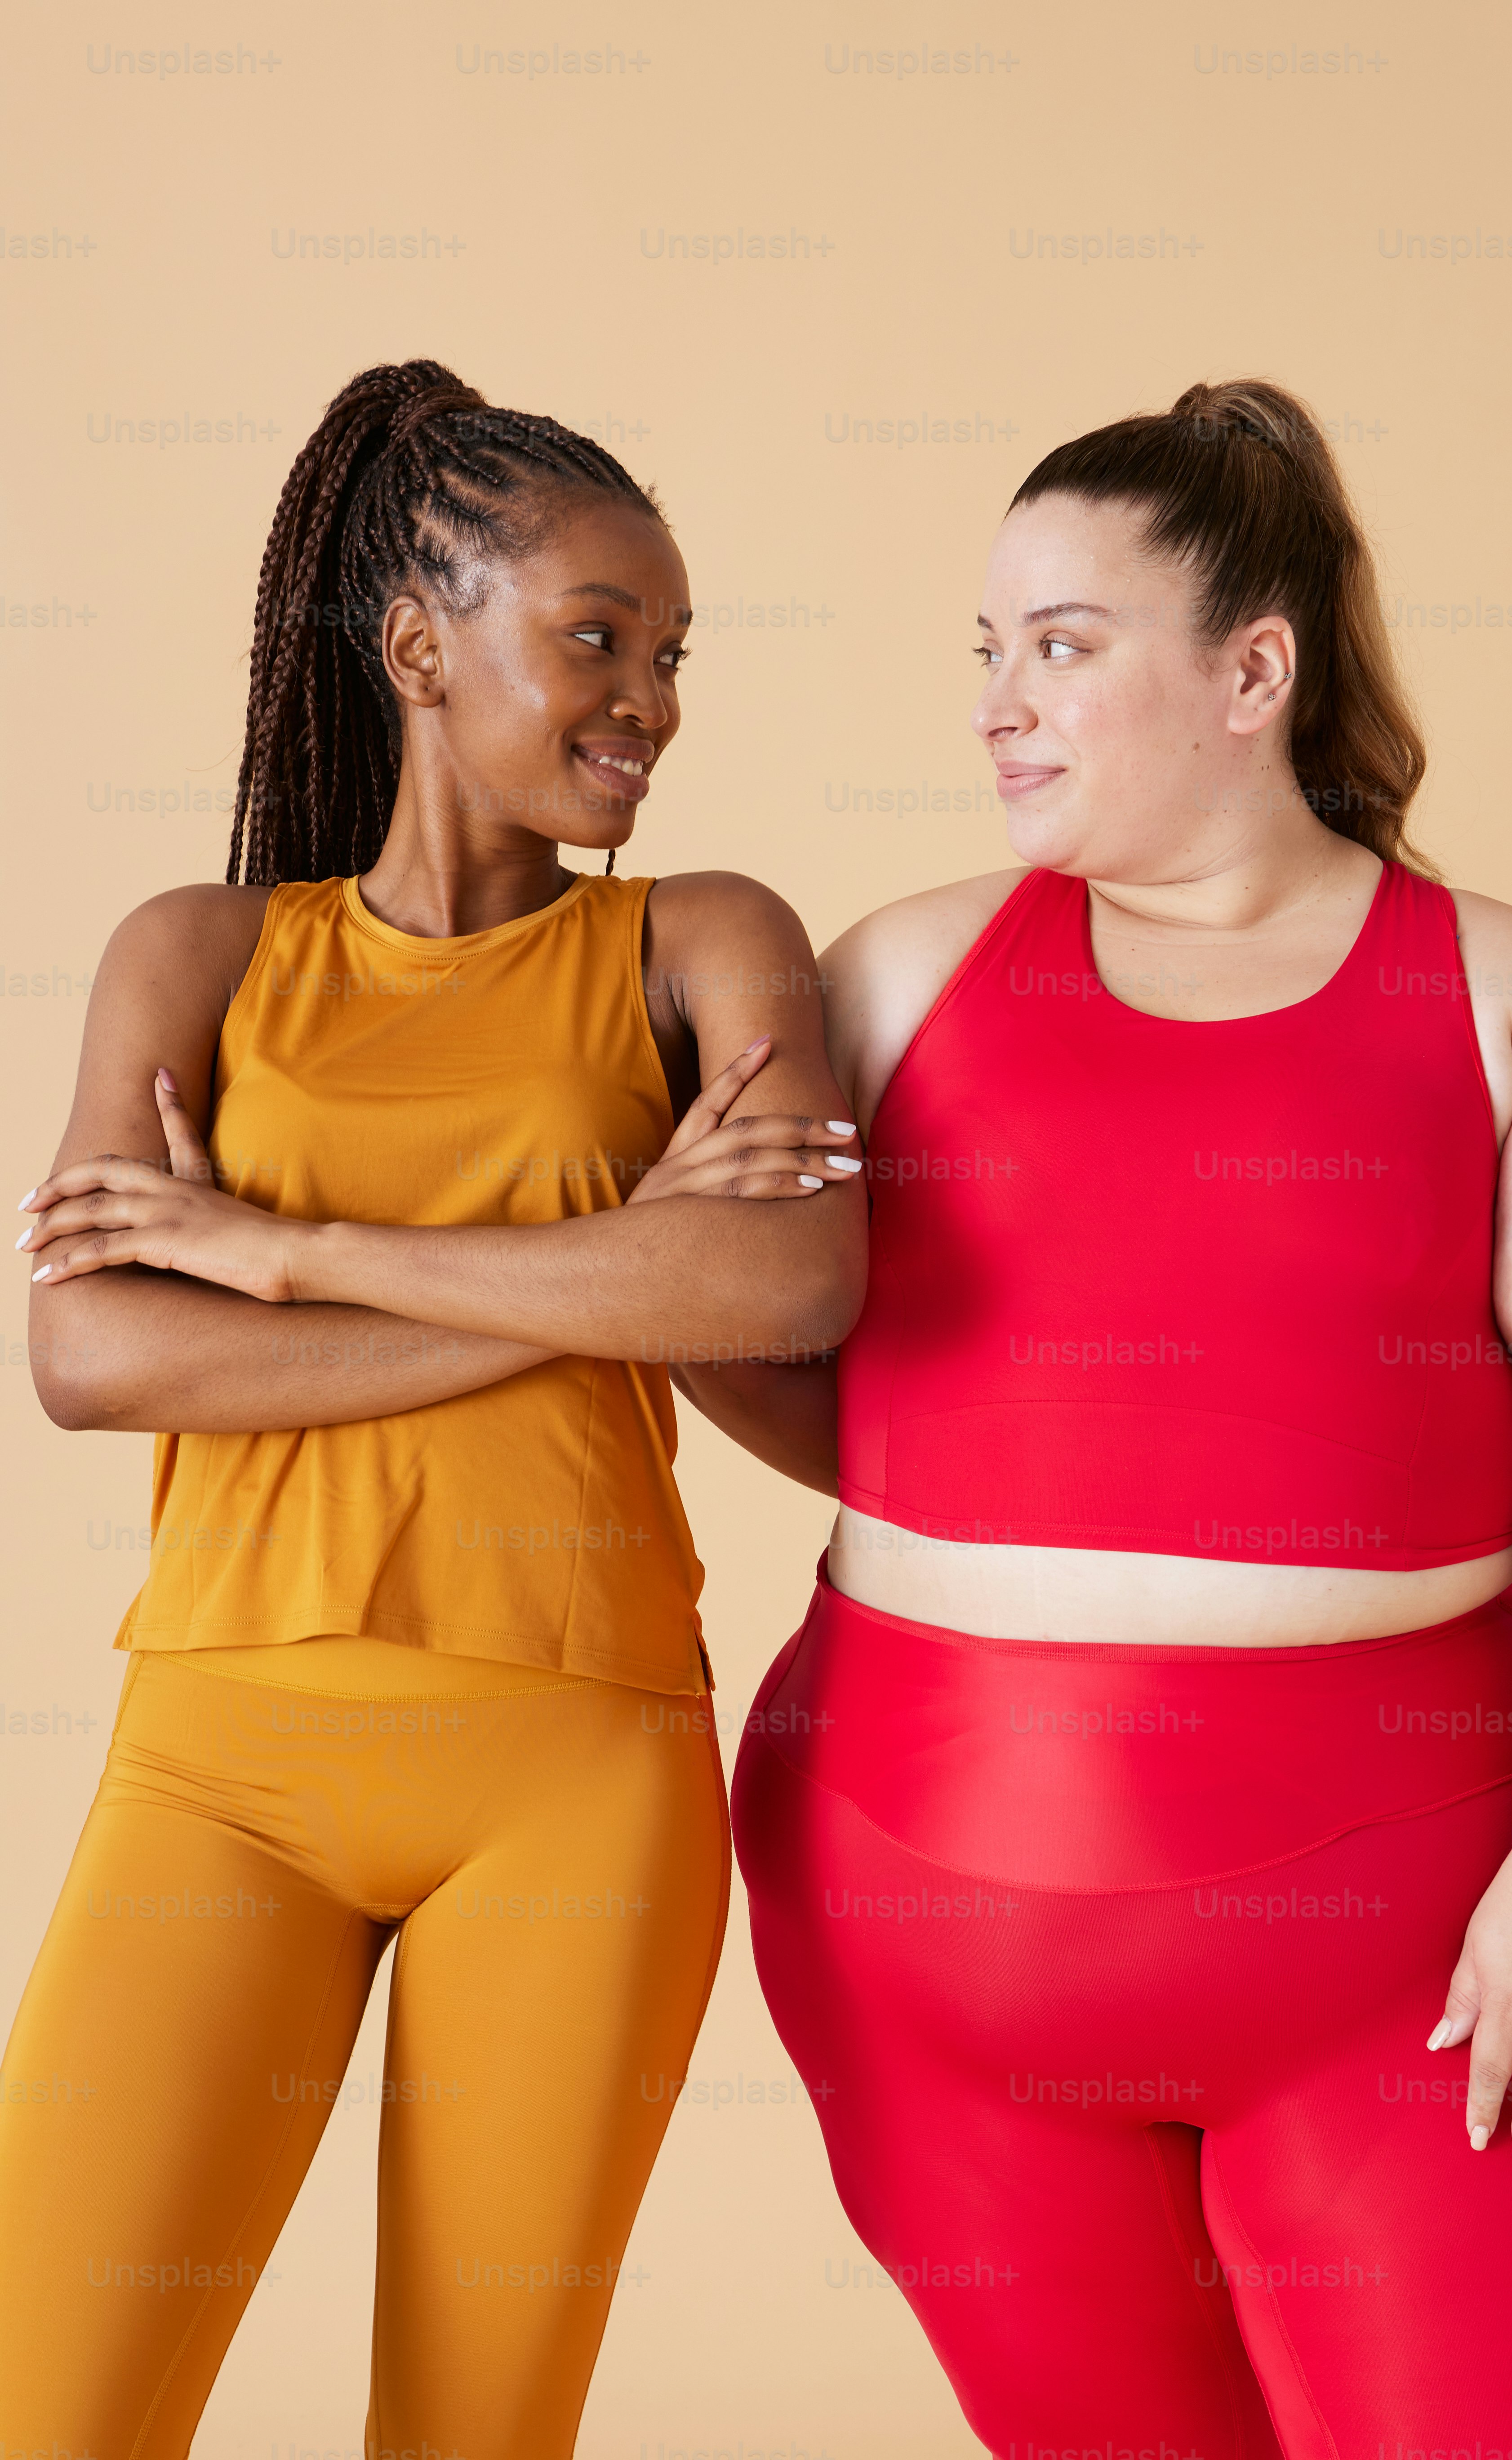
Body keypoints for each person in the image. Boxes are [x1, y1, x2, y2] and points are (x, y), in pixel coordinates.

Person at [690, 381, 1512, 2455]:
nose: (1000, 706)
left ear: (1253, 671)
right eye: (986, 655)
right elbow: (741, 1327)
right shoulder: (898, 980)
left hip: (1418, 1968)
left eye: (1062, 645)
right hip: (916, 1944)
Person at [1, 359, 865, 2456]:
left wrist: (296, 1255)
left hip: (576, 1779)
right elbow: (95, 1352)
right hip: (223, 1758)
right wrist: (598, 1265)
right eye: (598, 638)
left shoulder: (706, 940)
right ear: (416, 644)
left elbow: (782, 1278)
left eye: (671, 656)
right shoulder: (200, 953)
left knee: (476, 2436)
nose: (650, 697)